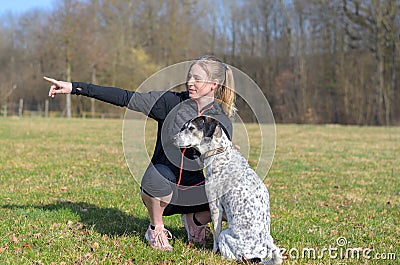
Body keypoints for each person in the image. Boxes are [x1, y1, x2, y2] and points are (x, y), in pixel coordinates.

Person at [44, 55, 236, 251]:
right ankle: (156, 228)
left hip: (193, 189)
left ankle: (195, 221)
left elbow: (225, 160)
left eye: (197, 78)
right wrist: (75, 87)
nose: (190, 82)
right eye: (189, 77)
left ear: (214, 84)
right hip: (163, 188)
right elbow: (125, 97)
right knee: (155, 178)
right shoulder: (169, 102)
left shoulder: (221, 120)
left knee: (230, 197)